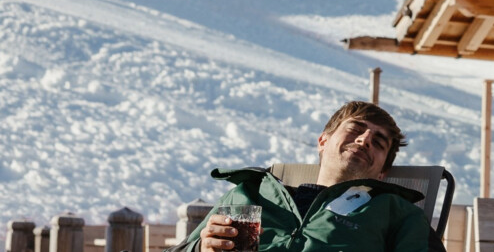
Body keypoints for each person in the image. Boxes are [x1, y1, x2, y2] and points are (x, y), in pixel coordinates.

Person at [183, 100, 432, 252]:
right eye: (355, 129)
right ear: (323, 141)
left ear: (382, 172)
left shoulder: (396, 212)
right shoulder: (250, 193)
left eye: (378, 142)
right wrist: (199, 248)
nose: (364, 139)